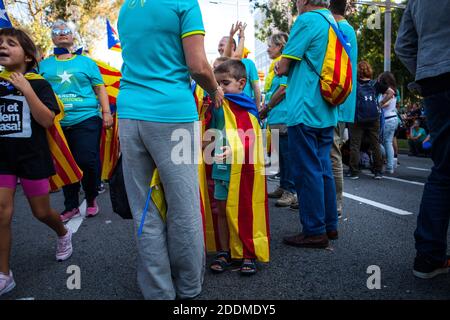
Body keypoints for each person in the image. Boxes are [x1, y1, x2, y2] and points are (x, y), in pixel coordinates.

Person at [117, 0, 224, 299]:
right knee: (184, 206)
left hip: (129, 112)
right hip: (172, 115)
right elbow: (198, 66)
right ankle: (189, 287)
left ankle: (157, 290)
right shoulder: (183, 3)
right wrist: (215, 89)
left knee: (144, 209)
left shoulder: (127, 7)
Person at [0, 28, 73, 297]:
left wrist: (26, 89)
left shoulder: (40, 83)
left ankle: (63, 232)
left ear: (28, 56)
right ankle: (4, 274)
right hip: (3, 160)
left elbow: (45, 120)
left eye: (11, 43)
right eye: (0, 44)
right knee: (1, 213)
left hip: (32, 158)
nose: (3, 47)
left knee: (41, 213)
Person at [277, 0, 339, 248]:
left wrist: (281, 65)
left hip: (305, 106)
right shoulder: (332, 21)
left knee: (306, 170)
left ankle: (314, 230)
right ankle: (330, 225)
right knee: (323, 167)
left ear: (303, 1)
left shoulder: (307, 20)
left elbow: (283, 66)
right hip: (326, 106)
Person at [395, 0, 450, 279]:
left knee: (443, 170)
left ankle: (428, 256)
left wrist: (427, 69)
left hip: (434, 81)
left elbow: (403, 44)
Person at [39, 20, 113, 222]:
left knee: (87, 160)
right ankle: (70, 205)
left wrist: (106, 112)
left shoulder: (87, 63)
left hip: (86, 117)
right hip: (56, 122)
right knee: (65, 163)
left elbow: (100, 88)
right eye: (57, 31)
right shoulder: (44, 65)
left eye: (66, 31)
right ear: (52, 37)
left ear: (73, 37)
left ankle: (91, 198)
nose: (62, 33)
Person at [208, 59, 263, 275]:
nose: (220, 88)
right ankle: (224, 251)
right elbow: (212, 131)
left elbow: (254, 136)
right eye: (217, 83)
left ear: (242, 83)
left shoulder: (247, 106)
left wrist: (235, 149)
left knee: (245, 210)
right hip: (221, 168)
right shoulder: (218, 105)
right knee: (221, 210)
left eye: (225, 83)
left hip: (243, 171)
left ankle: (247, 253)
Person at [260, 33, 297, 208]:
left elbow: (283, 90)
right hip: (276, 117)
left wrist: (267, 108)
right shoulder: (276, 64)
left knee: (288, 156)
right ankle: (284, 186)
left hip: (283, 115)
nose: (268, 49)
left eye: (270, 46)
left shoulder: (284, 62)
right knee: (280, 155)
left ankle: (291, 190)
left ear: (280, 46)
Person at [329, 0, 358, 218]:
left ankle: (336, 204)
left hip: (336, 101)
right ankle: (331, 202)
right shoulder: (345, 28)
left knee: (332, 154)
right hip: (340, 100)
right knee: (330, 153)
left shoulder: (341, 29)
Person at [346, 61, 394, 180]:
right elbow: (391, 93)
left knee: (355, 145)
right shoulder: (375, 84)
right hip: (373, 118)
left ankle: (354, 171)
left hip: (357, 118)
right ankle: (378, 171)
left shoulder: (354, 84)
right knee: (375, 144)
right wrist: (380, 103)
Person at [219, 23, 261, 110]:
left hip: (245, 108)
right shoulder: (220, 65)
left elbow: (256, 87)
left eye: (221, 45)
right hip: (226, 109)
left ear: (232, 46)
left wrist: (257, 109)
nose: (219, 48)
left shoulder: (249, 63)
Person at [378, 72, 399, 174]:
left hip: (387, 119)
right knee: (388, 143)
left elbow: (387, 103)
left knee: (380, 142)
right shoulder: (395, 90)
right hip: (393, 118)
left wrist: (379, 105)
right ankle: (390, 165)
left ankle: (389, 163)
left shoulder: (387, 92)